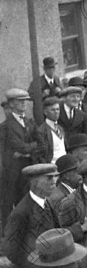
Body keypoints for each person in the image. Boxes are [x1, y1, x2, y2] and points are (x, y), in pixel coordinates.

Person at [2, 163, 60, 268]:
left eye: (55, 177)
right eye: (49, 178)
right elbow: (11, 250)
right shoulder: (20, 213)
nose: (54, 181)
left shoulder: (47, 203)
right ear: (35, 182)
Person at [0, 88, 38, 223]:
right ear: (11, 104)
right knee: (12, 204)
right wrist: (29, 147)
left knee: (31, 201)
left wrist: (25, 151)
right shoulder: (5, 126)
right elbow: (18, 146)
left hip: (29, 167)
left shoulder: (30, 122)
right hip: (13, 172)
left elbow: (41, 143)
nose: (23, 104)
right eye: (19, 101)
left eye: (25, 101)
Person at [28, 56, 62, 123]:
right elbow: (29, 96)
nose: (51, 70)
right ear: (44, 69)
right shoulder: (37, 82)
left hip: (56, 112)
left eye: (53, 68)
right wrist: (42, 95)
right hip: (43, 113)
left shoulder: (56, 79)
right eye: (49, 68)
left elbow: (63, 95)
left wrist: (60, 92)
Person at [34, 96, 66, 163]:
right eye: (53, 110)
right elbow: (40, 155)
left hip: (65, 164)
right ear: (45, 112)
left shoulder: (60, 128)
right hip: (52, 166)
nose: (56, 112)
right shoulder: (41, 131)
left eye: (58, 109)